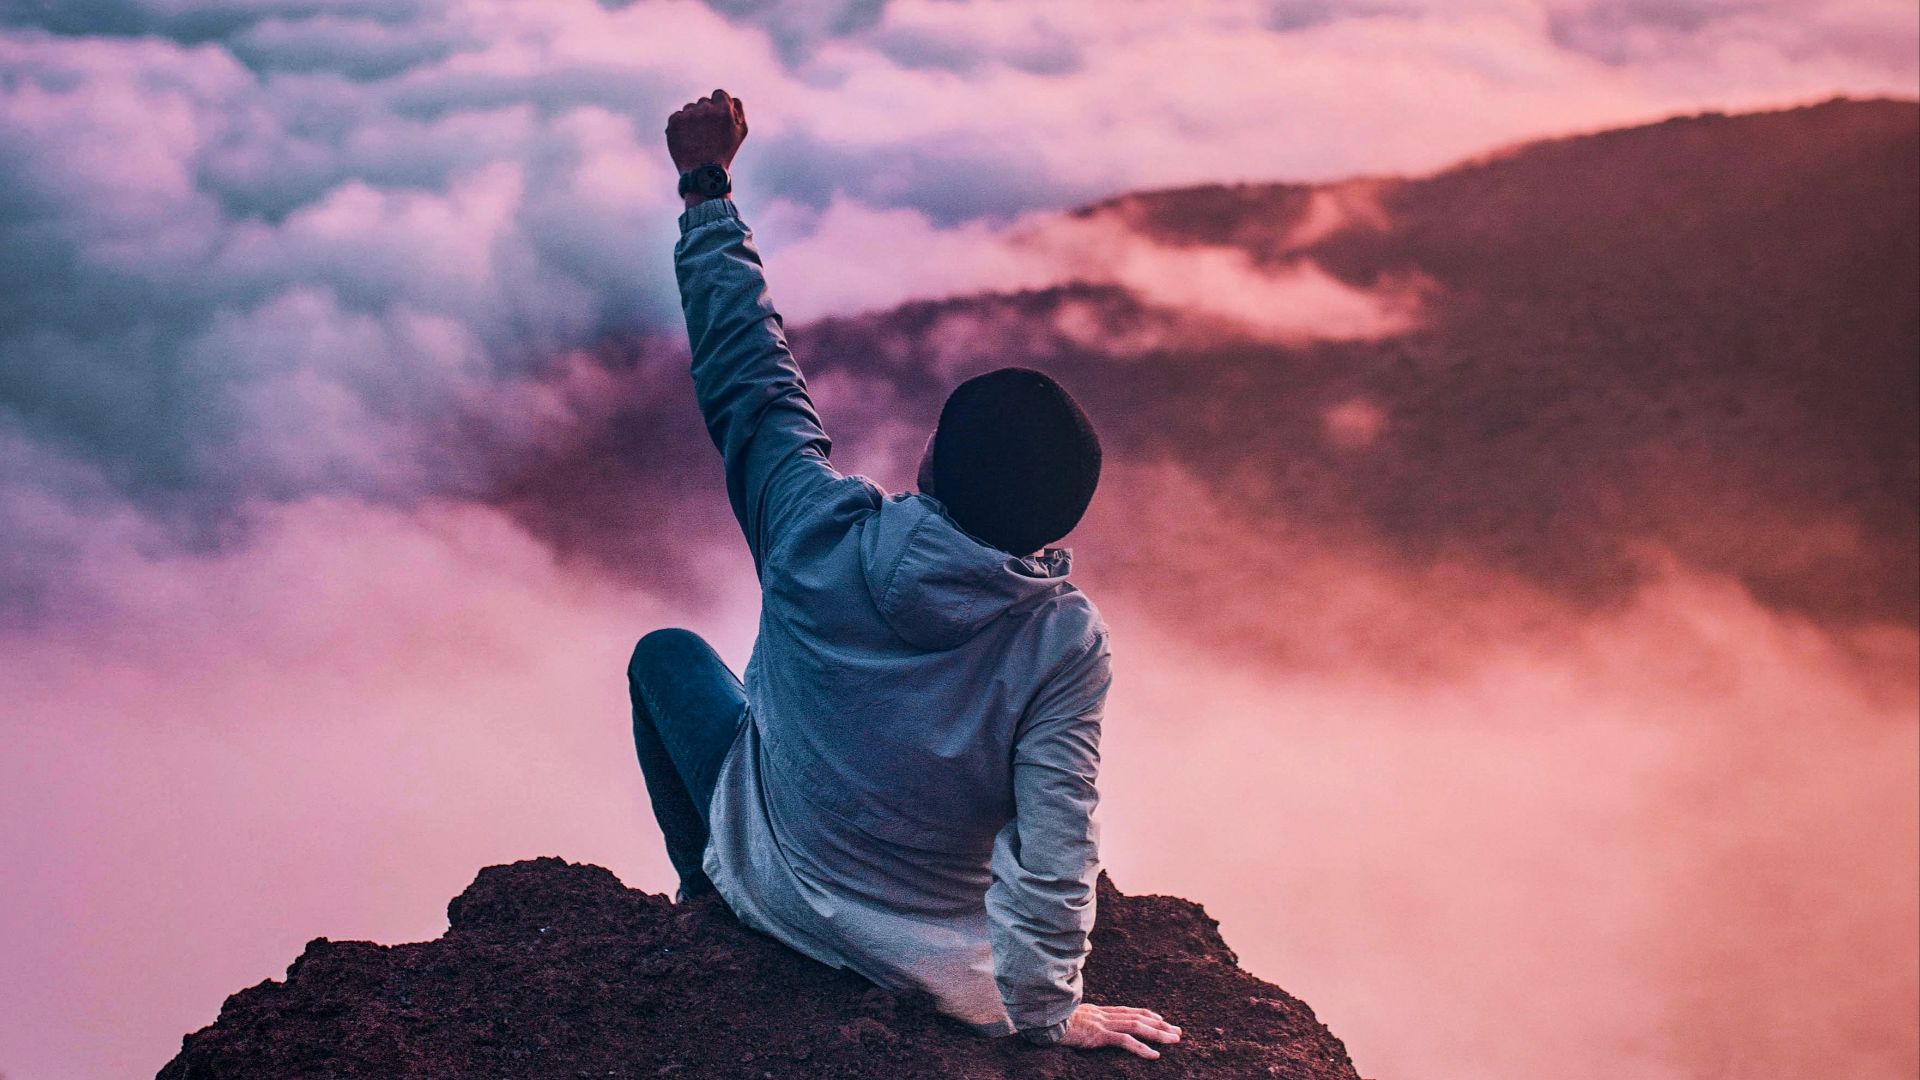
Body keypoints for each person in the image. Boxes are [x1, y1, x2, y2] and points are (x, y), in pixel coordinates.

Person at [626, 88, 1181, 1060]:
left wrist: (705, 189)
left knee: (667, 658)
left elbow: (749, 380)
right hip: (940, 973)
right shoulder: (1061, 643)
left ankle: (704, 893)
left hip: (776, 887)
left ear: (931, 465)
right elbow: (1057, 849)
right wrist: (1048, 1013)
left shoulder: (814, 532)